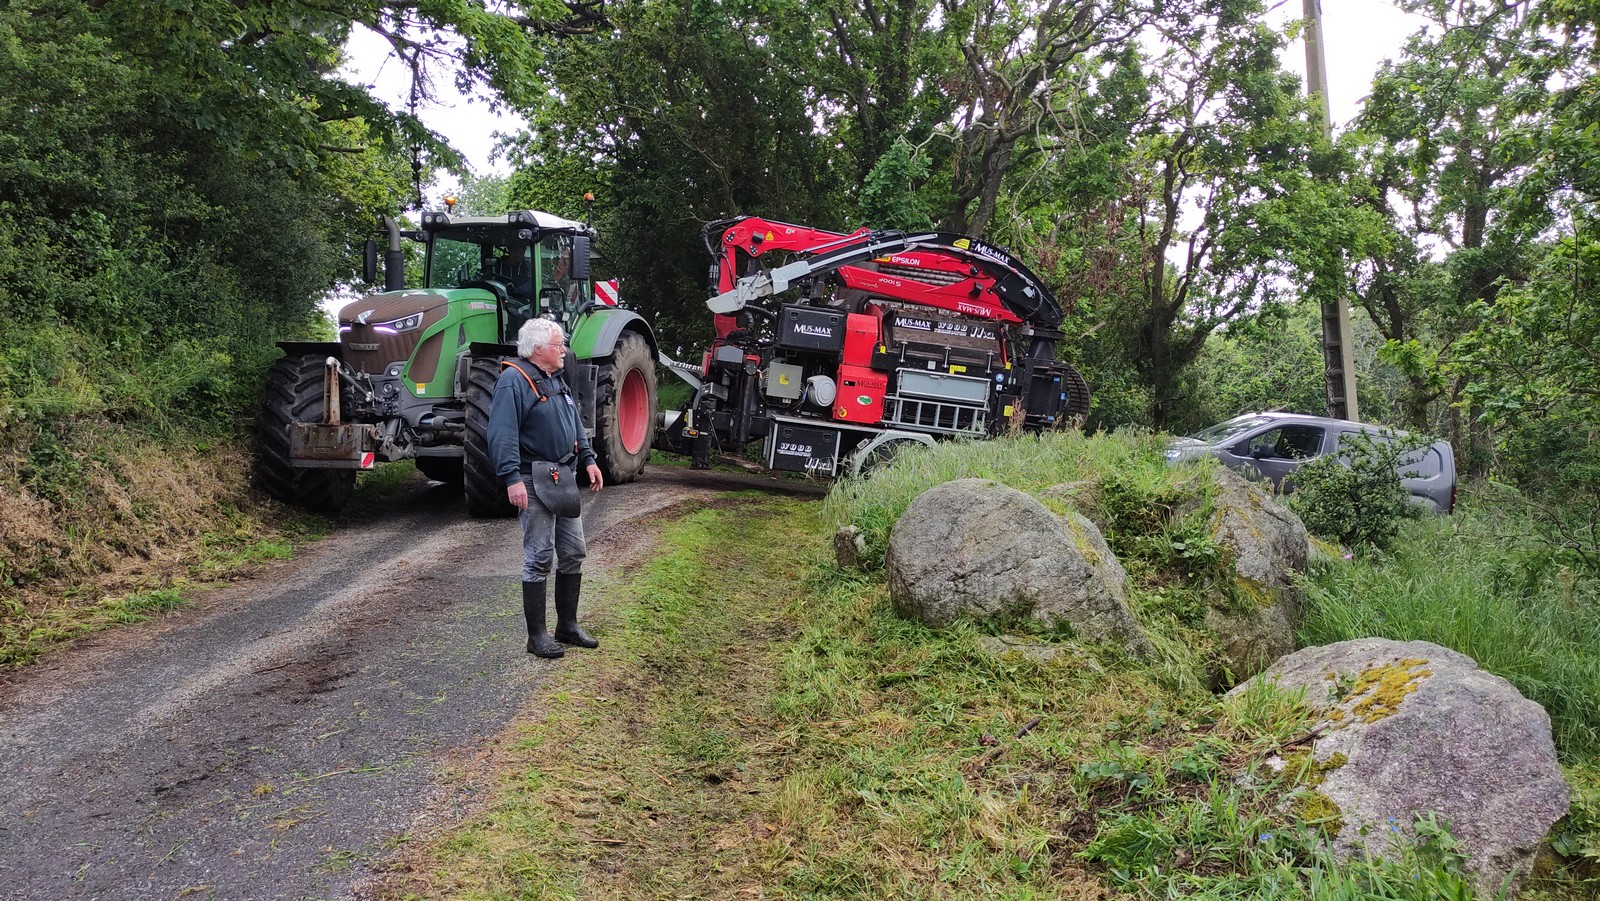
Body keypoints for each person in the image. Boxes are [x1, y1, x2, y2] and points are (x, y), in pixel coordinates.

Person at [487, 318, 605, 659]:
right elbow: (502, 434)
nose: (564, 350)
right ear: (538, 349)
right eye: (559, 345)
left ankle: (566, 627)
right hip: (531, 477)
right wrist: (511, 479)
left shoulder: (557, 380)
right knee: (539, 556)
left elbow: (575, 423)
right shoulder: (514, 381)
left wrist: (589, 459)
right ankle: (536, 636)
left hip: (563, 476)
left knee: (573, 552)